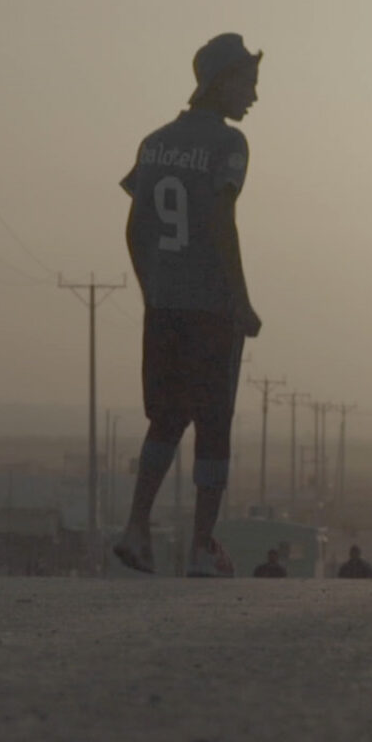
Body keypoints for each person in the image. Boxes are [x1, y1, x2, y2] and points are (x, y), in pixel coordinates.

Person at [111, 33, 263, 578]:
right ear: (219, 81)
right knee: (213, 424)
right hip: (211, 307)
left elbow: (134, 228)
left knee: (166, 418)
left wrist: (152, 287)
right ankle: (202, 545)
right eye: (247, 83)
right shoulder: (230, 145)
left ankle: (136, 527)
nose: (252, 97)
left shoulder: (154, 143)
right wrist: (240, 300)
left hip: (164, 304)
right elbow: (223, 222)